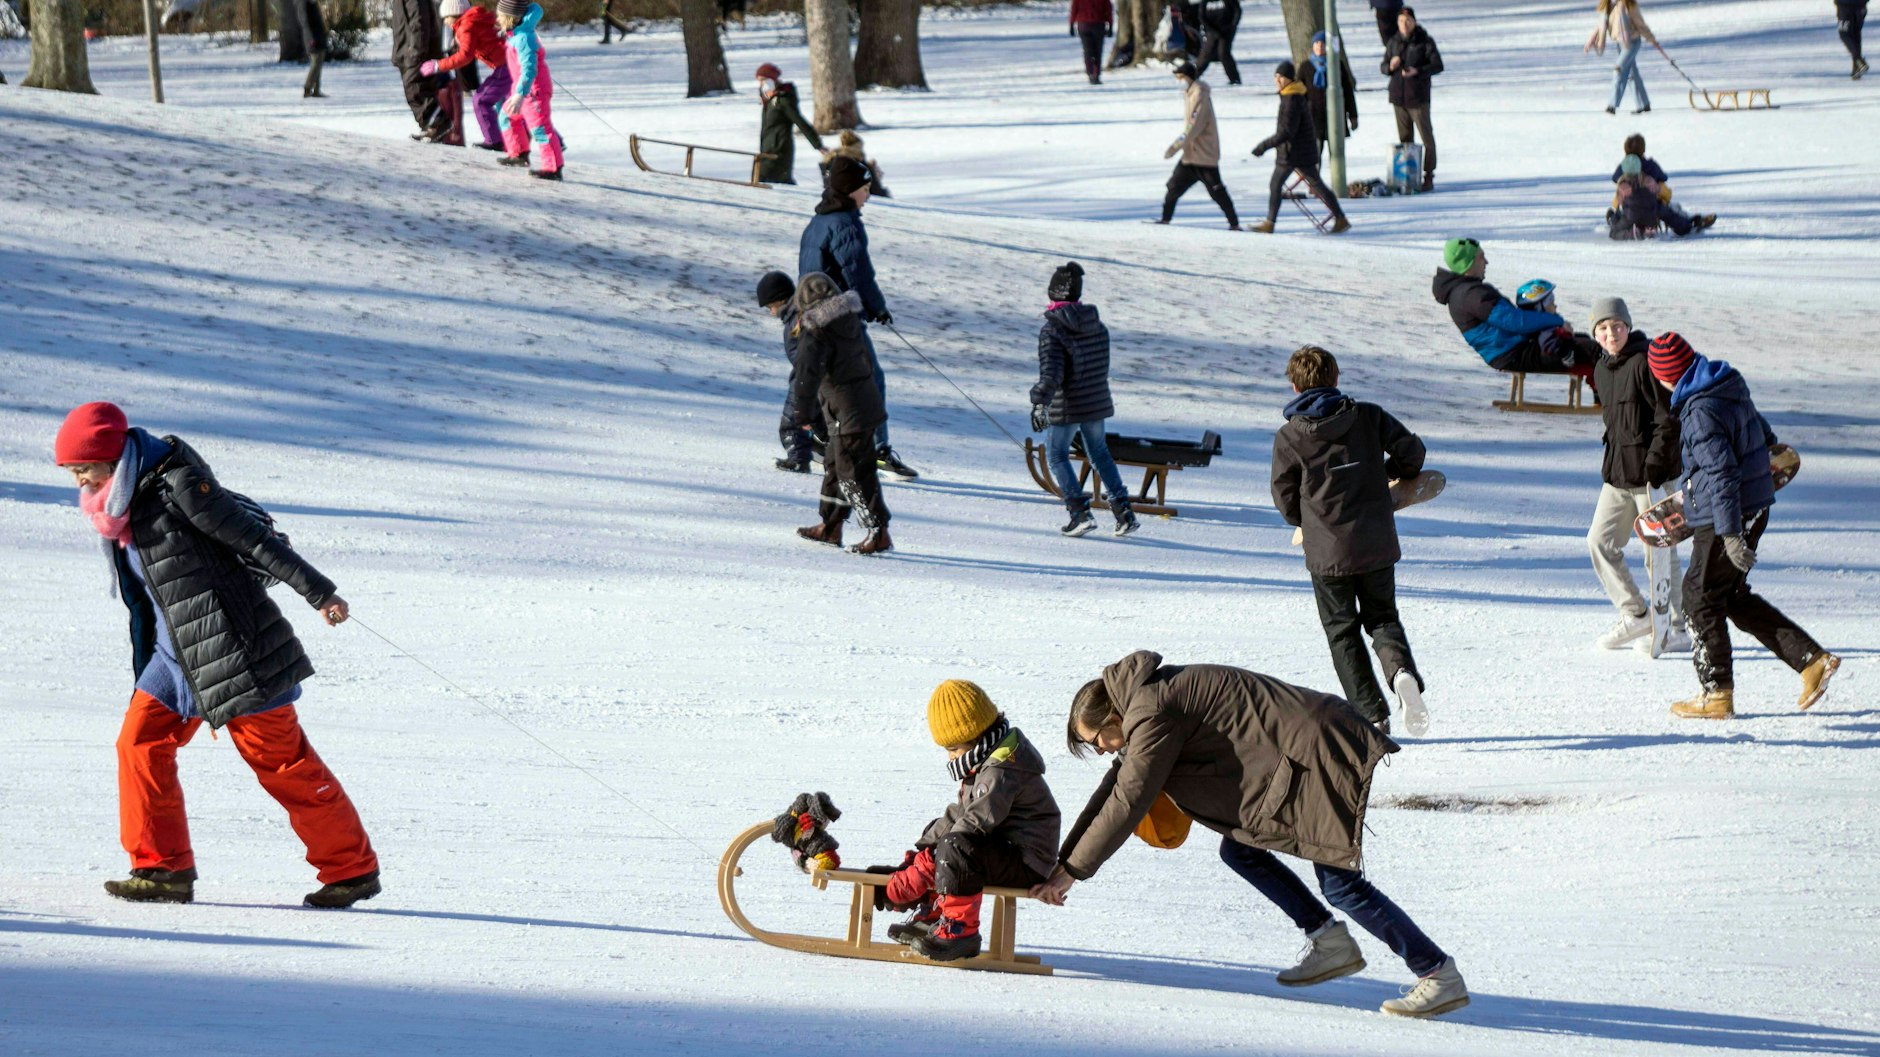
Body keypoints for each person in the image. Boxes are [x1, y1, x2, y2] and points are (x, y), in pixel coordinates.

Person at [53, 403, 381, 909]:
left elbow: (255, 543)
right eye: (73, 472)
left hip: (233, 646)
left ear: (113, 454)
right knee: (137, 745)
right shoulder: (120, 506)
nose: (79, 481)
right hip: (173, 654)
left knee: (282, 762)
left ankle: (350, 869)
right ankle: (162, 869)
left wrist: (320, 594)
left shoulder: (177, 486)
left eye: (84, 468)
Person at [1037, 653, 1470, 1018]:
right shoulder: (1146, 702)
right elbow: (1115, 788)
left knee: (1340, 884)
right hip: (1303, 750)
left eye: (1097, 740)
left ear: (1112, 716)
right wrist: (1065, 861)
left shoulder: (1151, 710)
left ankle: (1436, 972)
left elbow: (1128, 801)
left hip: (1318, 751)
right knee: (1241, 852)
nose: (1102, 750)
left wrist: (1072, 872)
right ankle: (1329, 940)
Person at [1648, 335, 1841, 719]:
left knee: (1698, 597)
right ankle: (1810, 660)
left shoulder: (1698, 409)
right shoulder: (1725, 384)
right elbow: (1764, 438)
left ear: (1666, 377)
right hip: (1752, 507)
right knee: (1729, 595)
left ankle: (1716, 694)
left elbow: (1721, 473)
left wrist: (1731, 534)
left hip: (1728, 515)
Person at [1270, 346, 1426, 732]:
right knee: (1383, 618)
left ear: (1294, 387)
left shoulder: (1289, 438)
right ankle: (1400, 672)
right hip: (1376, 542)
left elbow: (1284, 496)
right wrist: (1387, 473)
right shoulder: (1369, 417)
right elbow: (1412, 453)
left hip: (1327, 552)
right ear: (1336, 380)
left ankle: (1371, 712)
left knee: (1342, 631)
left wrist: (1307, 523)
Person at [867, 681, 1059, 961]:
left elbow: (975, 824)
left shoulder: (1001, 770)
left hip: (1027, 861)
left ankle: (960, 931)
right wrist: (919, 855)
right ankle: (937, 914)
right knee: (945, 840)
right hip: (1006, 850)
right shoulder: (986, 762)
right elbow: (958, 815)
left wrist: (925, 869)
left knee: (955, 848)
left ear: (976, 734)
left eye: (954, 748)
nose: (950, 757)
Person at [798, 156, 918, 480]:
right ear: (852, 190)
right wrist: (876, 307)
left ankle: (823, 441)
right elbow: (857, 272)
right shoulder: (845, 223)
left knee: (830, 381)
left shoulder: (817, 222)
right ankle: (877, 450)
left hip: (813, 315)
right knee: (870, 378)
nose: (868, 195)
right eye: (866, 189)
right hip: (838, 316)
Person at [1585, 298, 1687, 653]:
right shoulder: (1601, 370)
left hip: (1652, 477)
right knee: (1599, 541)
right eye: (1602, 328)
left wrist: (1656, 466)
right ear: (1595, 334)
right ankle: (1638, 616)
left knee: (1659, 551)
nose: (1610, 334)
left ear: (1628, 326)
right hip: (1617, 476)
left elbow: (1667, 418)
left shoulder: (1646, 362)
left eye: (1616, 326)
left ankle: (1676, 624)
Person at [1031, 262, 1140, 538]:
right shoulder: (1096, 324)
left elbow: (1052, 373)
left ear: (1054, 294)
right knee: (1099, 454)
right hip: (1095, 401)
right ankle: (1124, 513)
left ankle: (1079, 513)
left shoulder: (1052, 330)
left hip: (1067, 404)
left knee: (1057, 455)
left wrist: (1039, 401)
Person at [789, 272, 894, 555]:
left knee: (854, 472)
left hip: (846, 411)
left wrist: (801, 414)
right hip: (859, 405)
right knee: (836, 466)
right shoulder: (847, 320)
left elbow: (806, 376)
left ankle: (878, 531)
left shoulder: (816, 330)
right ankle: (831, 526)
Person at [1432, 239, 1585, 374]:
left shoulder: (1467, 291)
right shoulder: (1471, 295)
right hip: (1513, 354)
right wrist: (1556, 320)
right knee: (1589, 350)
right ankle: (1605, 401)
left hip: (1511, 350)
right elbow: (1517, 322)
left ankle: (1602, 398)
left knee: (1582, 341)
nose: (1486, 262)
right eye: (1481, 257)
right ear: (1468, 263)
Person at [1250, 61, 1350, 235]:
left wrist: (1263, 146)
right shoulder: (1291, 95)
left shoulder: (1292, 99)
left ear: (1288, 79)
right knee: (1316, 185)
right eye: (1276, 77)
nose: (1277, 80)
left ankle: (1270, 223)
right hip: (1298, 151)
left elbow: (1287, 132)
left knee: (1277, 184)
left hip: (1294, 153)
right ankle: (1340, 218)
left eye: (1280, 77)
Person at [757, 271, 826, 473]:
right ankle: (838, 458)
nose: (771, 312)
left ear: (780, 299)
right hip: (819, 378)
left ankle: (798, 459)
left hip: (807, 379)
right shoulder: (802, 313)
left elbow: (806, 356)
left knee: (791, 423)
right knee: (820, 423)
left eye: (771, 307)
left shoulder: (798, 319)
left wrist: (802, 380)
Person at [1157, 62, 1240, 230]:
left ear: (1187, 77)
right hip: (1190, 155)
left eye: (1179, 77)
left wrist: (1175, 146)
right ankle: (1165, 220)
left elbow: (1193, 127)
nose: (1178, 80)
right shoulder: (1191, 93)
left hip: (1203, 155)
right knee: (1173, 187)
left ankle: (1234, 224)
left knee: (1217, 191)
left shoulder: (1199, 95)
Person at [422, 0, 508, 152]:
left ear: (453, 15)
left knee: (481, 100)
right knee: (509, 105)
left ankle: (495, 141)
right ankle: (510, 142)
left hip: (506, 66)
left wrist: (438, 65)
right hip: (508, 63)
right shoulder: (474, 20)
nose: (445, 22)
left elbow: (464, 57)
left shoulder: (466, 27)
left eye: (446, 18)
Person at [497, 0, 564, 180]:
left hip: (533, 91)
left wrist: (520, 93)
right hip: (521, 89)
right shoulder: (516, 34)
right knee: (507, 117)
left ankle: (553, 168)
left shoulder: (524, 38)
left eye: (500, 16)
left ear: (510, 18)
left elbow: (529, 69)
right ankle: (519, 153)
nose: (497, 19)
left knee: (540, 128)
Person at [1381, 6, 1442, 192]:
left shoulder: (1424, 40)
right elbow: (1383, 67)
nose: (1404, 25)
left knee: (1427, 139)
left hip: (1418, 97)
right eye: (1400, 21)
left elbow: (1437, 65)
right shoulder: (1393, 41)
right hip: (1399, 97)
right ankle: (1407, 177)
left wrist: (1419, 71)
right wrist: (1390, 66)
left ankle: (1428, 175)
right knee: (1405, 141)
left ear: (1414, 22)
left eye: (1408, 21)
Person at [1611, 136, 1716, 235]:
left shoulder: (1623, 167)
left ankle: (1613, 219)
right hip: (1652, 204)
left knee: (1621, 209)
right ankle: (1688, 225)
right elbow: (1663, 177)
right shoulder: (1650, 165)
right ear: (1643, 149)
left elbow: (1615, 178)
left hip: (1628, 207)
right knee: (1668, 211)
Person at [390, 0, 450, 142]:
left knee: (414, 87)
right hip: (408, 50)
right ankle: (430, 127)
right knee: (420, 88)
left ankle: (438, 122)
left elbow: (419, 20)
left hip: (417, 51)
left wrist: (415, 50)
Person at [755, 63, 824, 184]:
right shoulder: (769, 101)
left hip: (779, 150)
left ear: (771, 81)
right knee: (761, 181)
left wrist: (817, 144)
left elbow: (800, 121)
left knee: (776, 183)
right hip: (766, 150)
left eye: (762, 80)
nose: (760, 84)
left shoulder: (784, 100)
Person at [1585, 0, 1657, 115]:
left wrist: (1651, 38)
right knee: (1632, 74)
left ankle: (1612, 105)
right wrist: (1591, 40)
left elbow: (1640, 23)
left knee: (1618, 70)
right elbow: (1600, 25)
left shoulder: (1629, 4)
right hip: (1620, 44)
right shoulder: (1606, 5)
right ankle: (1644, 104)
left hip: (1632, 43)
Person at [1304, 31, 1359, 161]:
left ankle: (1337, 180)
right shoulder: (1306, 67)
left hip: (1335, 118)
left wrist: (1353, 115)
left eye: (1322, 43)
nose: (1319, 47)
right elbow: (1300, 95)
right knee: (1314, 157)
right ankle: (1315, 182)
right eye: (1316, 43)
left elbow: (1348, 92)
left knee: (1336, 156)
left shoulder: (1337, 65)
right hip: (1314, 119)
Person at [1195, 0, 1242, 85]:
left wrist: (1233, 26)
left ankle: (1235, 79)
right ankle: (1193, 76)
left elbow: (1237, 11)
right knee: (1207, 53)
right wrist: (1210, 30)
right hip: (1211, 31)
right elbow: (1201, 16)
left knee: (1223, 53)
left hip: (1226, 31)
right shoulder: (1205, 2)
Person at [290, 0, 328, 98]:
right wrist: (311, 38)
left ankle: (316, 89)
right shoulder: (303, 3)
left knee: (319, 62)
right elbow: (305, 21)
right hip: (312, 37)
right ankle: (307, 88)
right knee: (316, 62)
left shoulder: (312, 2)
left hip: (318, 35)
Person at [1069, 0, 1113, 85]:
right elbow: (1108, 10)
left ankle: (1090, 73)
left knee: (1087, 51)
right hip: (1099, 25)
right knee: (1098, 52)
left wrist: (1071, 24)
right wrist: (1110, 25)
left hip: (1084, 24)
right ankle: (1096, 74)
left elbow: (1074, 9)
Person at [1839, 1, 1869, 79]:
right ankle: (1856, 68)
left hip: (1845, 6)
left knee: (1844, 34)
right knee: (1855, 33)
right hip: (1861, 5)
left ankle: (1858, 60)